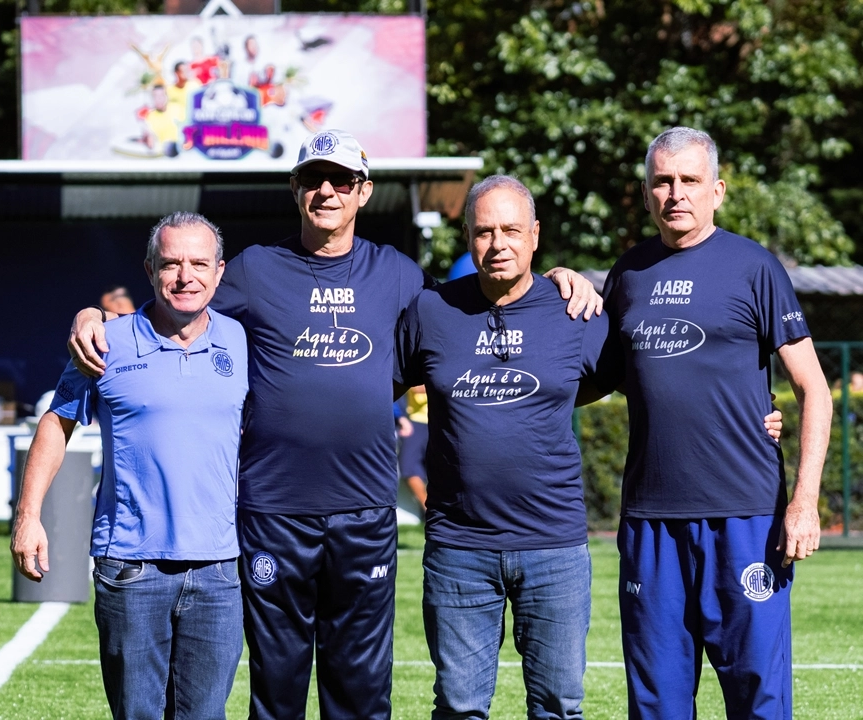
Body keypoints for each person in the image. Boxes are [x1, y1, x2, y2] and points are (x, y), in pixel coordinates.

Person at [66, 130, 603, 720]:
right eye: (314, 179)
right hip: (272, 510)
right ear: (295, 190)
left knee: (359, 689)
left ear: (363, 192)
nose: (328, 190)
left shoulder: (400, 276)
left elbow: (482, 301)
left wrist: (559, 277)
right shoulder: (252, 270)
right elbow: (179, 299)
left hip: (364, 510)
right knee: (277, 687)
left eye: (342, 180)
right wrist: (95, 314)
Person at [599, 127, 832, 719]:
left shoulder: (755, 267)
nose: (675, 193)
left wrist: (803, 504)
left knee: (758, 697)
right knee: (657, 704)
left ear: (717, 190)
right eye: (662, 181)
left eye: (689, 181)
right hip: (651, 521)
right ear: (648, 192)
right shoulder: (626, 276)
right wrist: (561, 281)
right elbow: (596, 376)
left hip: (746, 519)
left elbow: (814, 390)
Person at [396, 175, 621, 719]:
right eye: (484, 231)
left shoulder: (577, 313)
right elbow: (369, 387)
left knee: (559, 706)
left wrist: (757, 412)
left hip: (554, 546)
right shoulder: (431, 311)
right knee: (459, 707)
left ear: (536, 235)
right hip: (459, 548)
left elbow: (651, 383)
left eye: (512, 230)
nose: (498, 244)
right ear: (468, 236)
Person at [11, 212, 248, 720]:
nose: (186, 276)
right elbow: (56, 422)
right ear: (149, 270)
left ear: (220, 271)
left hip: (220, 571)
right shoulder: (105, 343)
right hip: (131, 569)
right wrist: (28, 516)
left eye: (199, 263)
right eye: (171, 264)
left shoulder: (242, 342)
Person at [397, 384, 429, 513]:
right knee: (408, 467)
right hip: (415, 422)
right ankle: (428, 509)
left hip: (443, 420)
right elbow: (416, 388)